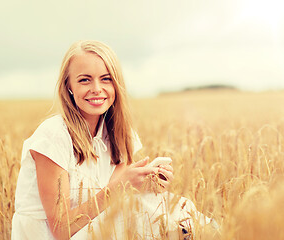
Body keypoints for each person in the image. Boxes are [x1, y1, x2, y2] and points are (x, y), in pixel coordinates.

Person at [11, 40, 215, 240]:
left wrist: (147, 183)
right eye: (84, 80)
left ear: (116, 84)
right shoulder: (54, 135)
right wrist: (122, 186)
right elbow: (61, 230)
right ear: (68, 86)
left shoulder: (117, 133)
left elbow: (115, 194)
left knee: (172, 207)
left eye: (106, 79)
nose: (97, 88)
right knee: (136, 213)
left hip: (94, 229)